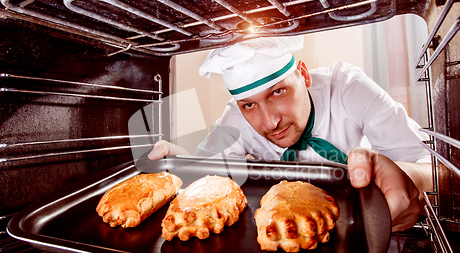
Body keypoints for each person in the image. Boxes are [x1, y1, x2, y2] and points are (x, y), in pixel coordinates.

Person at [148, 35, 432, 232]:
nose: (270, 122)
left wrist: (409, 179)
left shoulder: (348, 87)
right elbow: (209, 172)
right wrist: (179, 162)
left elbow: (428, 164)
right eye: (249, 104)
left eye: (278, 92)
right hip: (282, 226)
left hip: (357, 224)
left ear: (303, 75)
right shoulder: (235, 118)